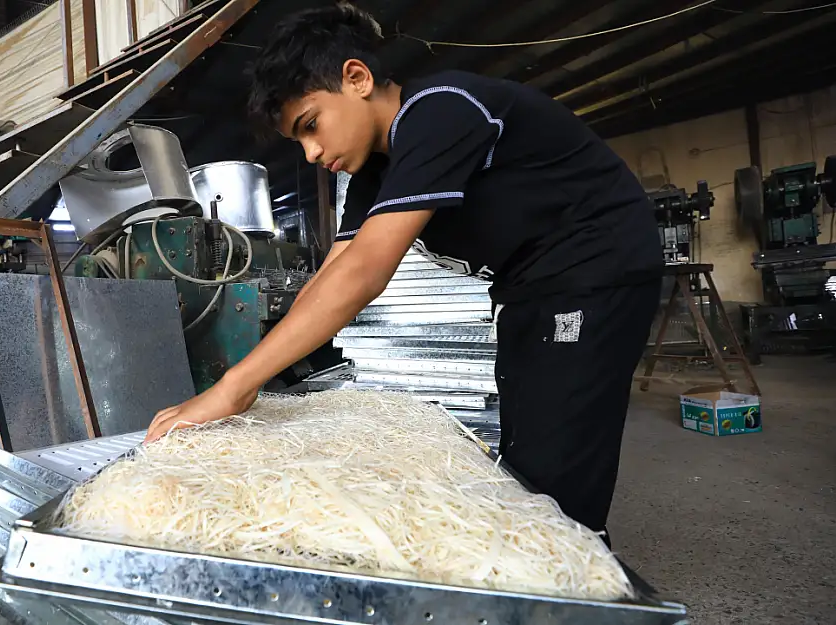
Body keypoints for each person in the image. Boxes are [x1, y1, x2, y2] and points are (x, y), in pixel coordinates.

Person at [145, 3, 663, 540]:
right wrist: (248, 380)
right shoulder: (375, 167)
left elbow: (366, 274)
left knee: (560, 473)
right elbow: (335, 271)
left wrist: (231, 388)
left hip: (595, 270)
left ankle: (580, 576)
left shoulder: (442, 110)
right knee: (527, 452)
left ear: (357, 77)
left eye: (311, 125)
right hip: (528, 287)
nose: (312, 151)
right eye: (299, 141)